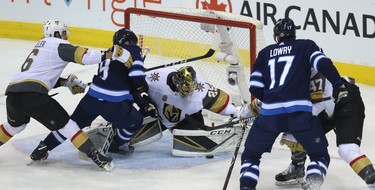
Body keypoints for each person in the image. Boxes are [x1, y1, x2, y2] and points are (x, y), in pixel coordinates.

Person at [238, 18, 349, 190]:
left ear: (277, 36)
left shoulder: (265, 53)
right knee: (319, 156)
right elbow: (323, 63)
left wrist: (271, 99)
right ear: (293, 34)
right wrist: (338, 84)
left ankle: (246, 187)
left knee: (250, 156)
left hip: (269, 114)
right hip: (299, 112)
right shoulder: (306, 46)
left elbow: (256, 87)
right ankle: (312, 183)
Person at [0, 20, 116, 170]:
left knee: (15, 126)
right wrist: (110, 54)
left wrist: (66, 82)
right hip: (34, 97)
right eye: (63, 33)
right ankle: (96, 156)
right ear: (56, 33)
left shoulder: (40, 46)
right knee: (68, 126)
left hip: (14, 95)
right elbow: (84, 56)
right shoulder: (57, 44)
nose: (65, 37)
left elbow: (38, 77)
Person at [29, 28, 157, 160]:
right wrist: (141, 87)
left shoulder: (108, 53)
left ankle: (43, 147)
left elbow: (113, 78)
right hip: (115, 103)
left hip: (92, 98)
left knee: (71, 125)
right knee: (135, 121)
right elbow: (136, 78)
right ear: (130, 41)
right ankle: (118, 144)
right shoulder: (133, 49)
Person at [274, 73, 375, 189]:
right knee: (296, 134)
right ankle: (297, 168)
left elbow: (326, 101)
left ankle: (373, 180)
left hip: (345, 100)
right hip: (323, 105)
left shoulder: (309, 68)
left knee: (347, 150)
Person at [129, 65, 238, 156]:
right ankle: (121, 137)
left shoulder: (201, 89)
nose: (188, 92)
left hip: (184, 121)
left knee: (201, 145)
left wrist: (236, 113)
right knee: (127, 134)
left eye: (190, 89)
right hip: (156, 115)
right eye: (185, 89)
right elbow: (132, 88)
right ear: (177, 81)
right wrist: (145, 104)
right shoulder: (155, 79)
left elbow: (222, 101)